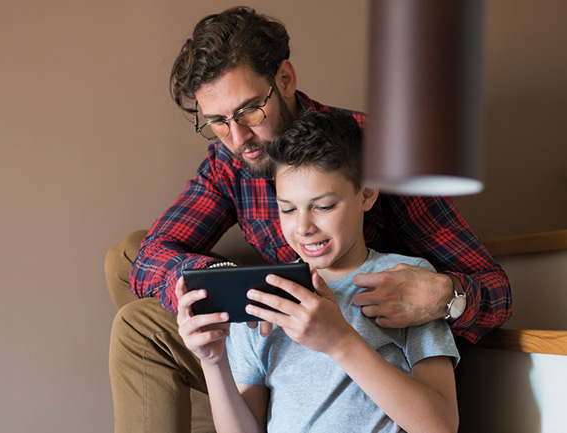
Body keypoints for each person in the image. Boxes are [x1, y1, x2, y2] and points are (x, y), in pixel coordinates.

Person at [107, 6, 510, 433]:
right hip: (273, 317)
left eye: (249, 111)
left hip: (367, 320)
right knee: (126, 260)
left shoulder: (370, 150)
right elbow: (151, 255)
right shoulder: (231, 162)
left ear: (284, 79)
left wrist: (444, 295)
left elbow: (494, 288)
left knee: (135, 316)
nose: (238, 138)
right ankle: (242, 392)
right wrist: (229, 286)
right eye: (219, 123)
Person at [176, 109, 460, 432]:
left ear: (366, 193)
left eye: (323, 206)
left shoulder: (406, 281)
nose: (303, 227)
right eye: (287, 209)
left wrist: (340, 341)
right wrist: (213, 363)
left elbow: (442, 426)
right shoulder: (262, 298)